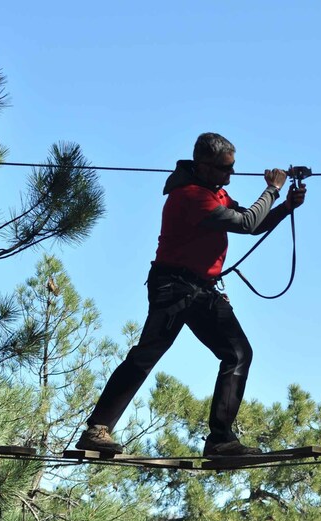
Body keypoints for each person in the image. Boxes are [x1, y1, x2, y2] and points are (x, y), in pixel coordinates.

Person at [76, 132, 306, 456]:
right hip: (173, 288)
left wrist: (283, 207)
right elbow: (245, 223)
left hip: (201, 290)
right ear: (202, 165)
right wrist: (272, 189)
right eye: (224, 168)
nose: (230, 175)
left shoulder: (217, 194)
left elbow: (254, 224)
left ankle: (221, 440)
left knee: (238, 353)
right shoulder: (191, 196)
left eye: (232, 168)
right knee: (146, 355)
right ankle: (97, 429)